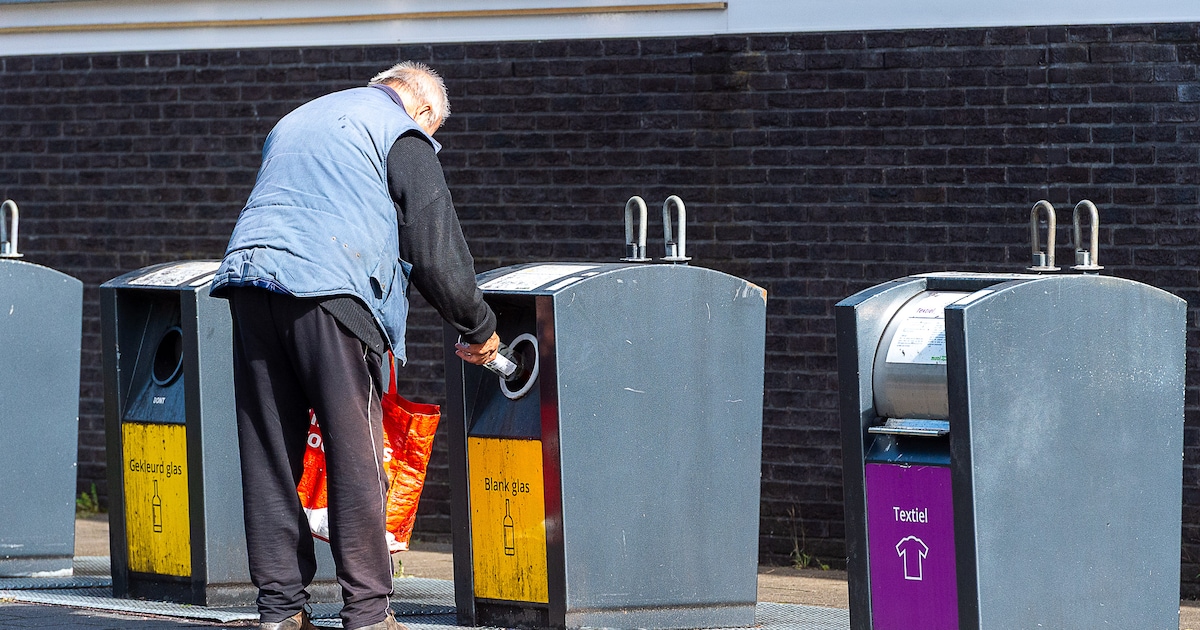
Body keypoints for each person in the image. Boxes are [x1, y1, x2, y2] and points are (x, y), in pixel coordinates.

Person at [210, 61, 499, 630]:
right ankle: (368, 613)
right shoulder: (399, 132)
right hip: (331, 292)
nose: (429, 138)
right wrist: (477, 326)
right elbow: (436, 246)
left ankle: (279, 610)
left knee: (269, 454)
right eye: (433, 129)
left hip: (251, 283)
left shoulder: (298, 118)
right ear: (420, 109)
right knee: (357, 454)